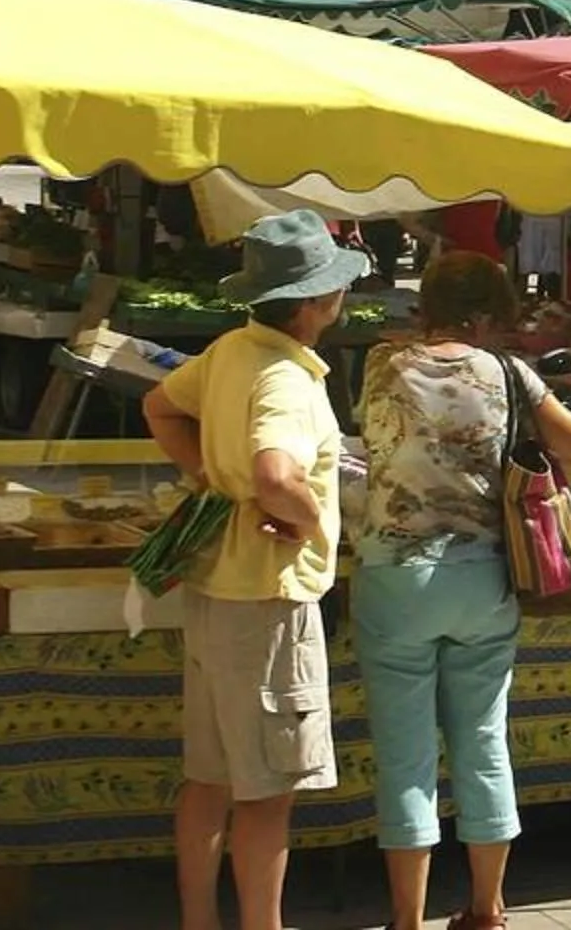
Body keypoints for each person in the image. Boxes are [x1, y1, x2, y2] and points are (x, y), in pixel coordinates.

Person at [356, 251, 571, 930]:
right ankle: (486, 909)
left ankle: (407, 919)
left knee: (405, 756)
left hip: (396, 578)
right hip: (483, 579)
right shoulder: (508, 372)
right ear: (485, 315)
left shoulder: (381, 364)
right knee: (483, 741)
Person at [140, 210, 367, 930]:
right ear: (314, 302)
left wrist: (212, 478)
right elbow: (275, 474)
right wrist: (305, 515)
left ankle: (199, 920)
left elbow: (159, 406)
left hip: (215, 590)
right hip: (268, 603)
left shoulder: (232, 349)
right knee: (267, 795)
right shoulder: (286, 379)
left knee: (207, 781)